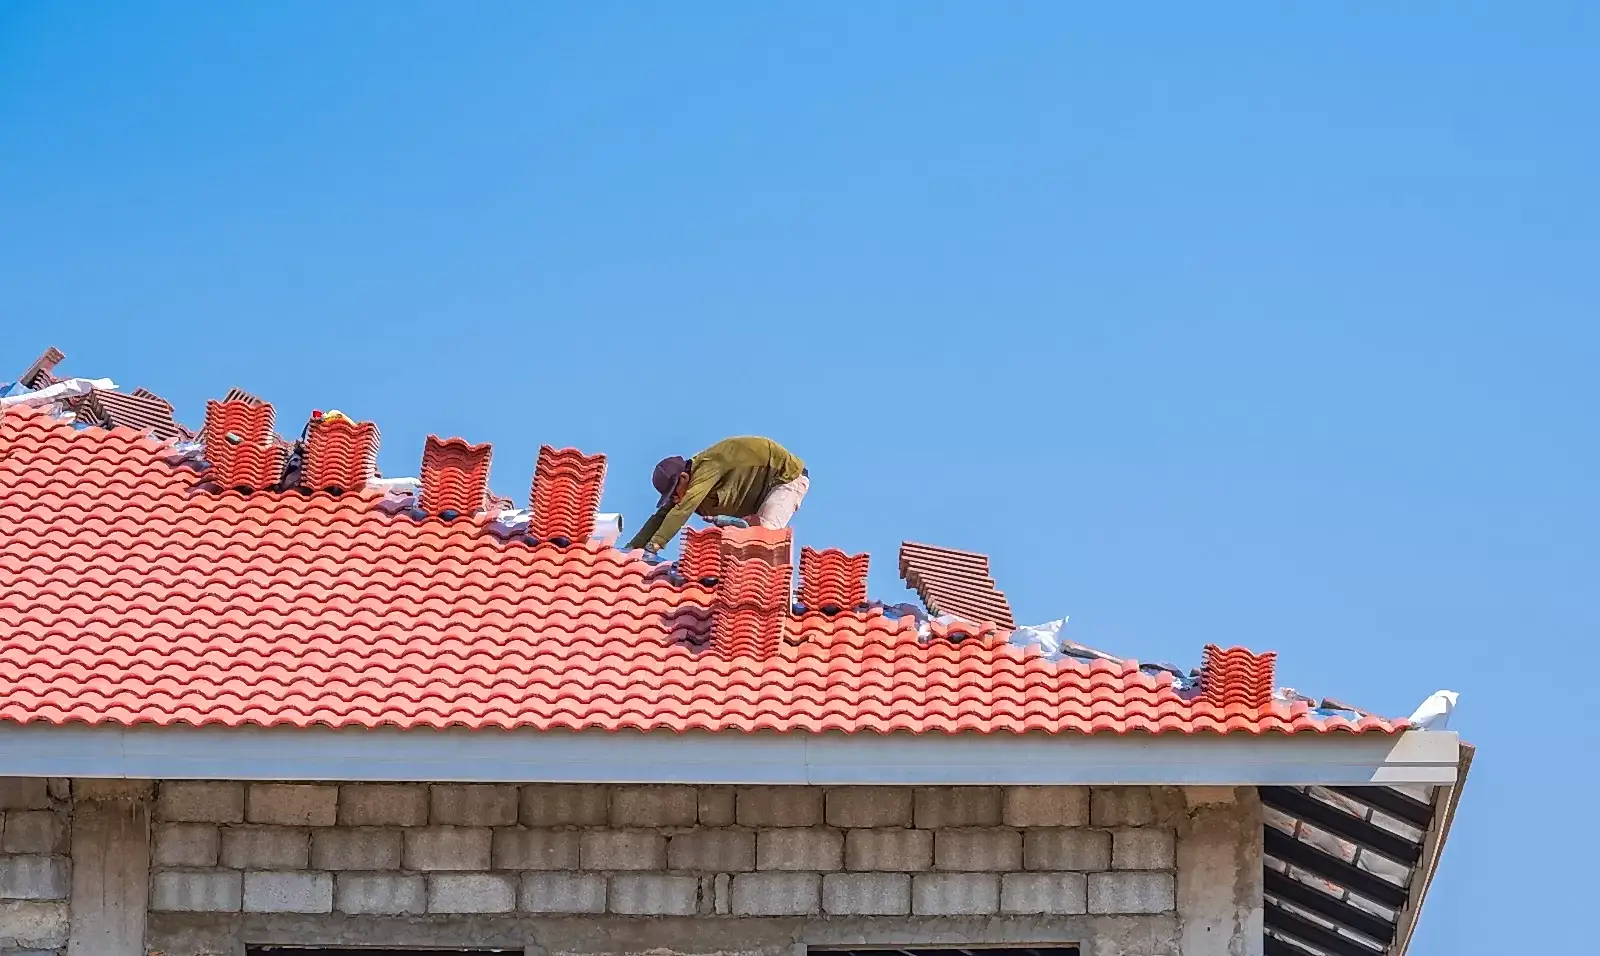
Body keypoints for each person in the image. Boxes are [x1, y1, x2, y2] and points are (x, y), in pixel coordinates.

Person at [626, 436, 809, 561]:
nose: (674, 500)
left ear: (684, 477)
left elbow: (684, 509)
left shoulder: (708, 466)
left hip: (786, 479)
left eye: (673, 494)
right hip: (757, 495)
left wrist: (654, 546)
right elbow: (662, 516)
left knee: (763, 539)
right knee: (738, 548)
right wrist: (632, 548)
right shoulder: (685, 488)